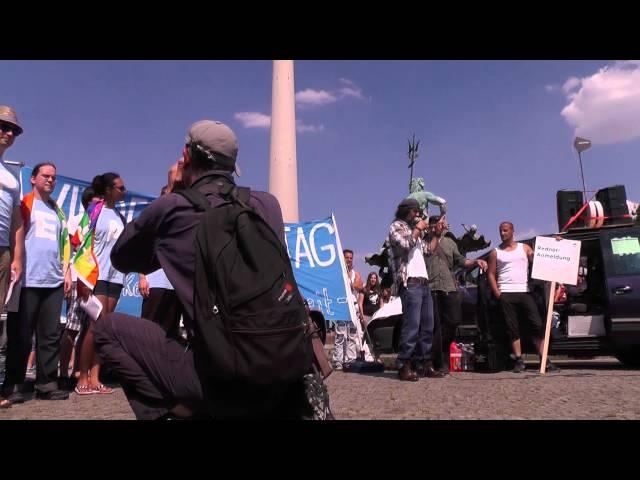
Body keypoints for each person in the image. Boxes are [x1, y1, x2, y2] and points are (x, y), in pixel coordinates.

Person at [93, 119, 313, 419]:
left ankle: (182, 414)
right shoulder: (267, 205)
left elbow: (122, 258)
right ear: (233, 164)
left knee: (108, 329)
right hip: (282, 368)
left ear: (185, 157)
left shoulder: (173, 208)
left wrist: (170, 193)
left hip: (219, 378)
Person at [1, 163, 72, 405]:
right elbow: (15, 236)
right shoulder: (24, 204)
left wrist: (67, 272)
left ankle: (47, 384)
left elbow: (63, 244)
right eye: (46, 176)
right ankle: (14, 384)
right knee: (20, 335)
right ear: (33, 179)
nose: (51, 180)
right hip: (27, 279)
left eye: (54, 177)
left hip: (53, 281)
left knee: (50, 335)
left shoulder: (57, 211)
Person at [73, 173, 127, 395]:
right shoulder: (94, 212)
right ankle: (82, 377)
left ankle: (96, 377)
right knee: (94, 327)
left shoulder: (120, 216)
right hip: (96, 275)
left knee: (105, 330)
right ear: (107, 190)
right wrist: (83, 278)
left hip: (116, 277)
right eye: (120, 188)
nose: (124, 191)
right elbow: (80, 244)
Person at [487, 221, 559, 373]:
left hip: (524, 291)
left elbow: (541, 260)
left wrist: (555, 245)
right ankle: (519, 360)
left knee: (537, 325)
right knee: (512, 328)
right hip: (506, 293)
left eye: (505, 230)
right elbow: (491, 274)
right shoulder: (495, 252)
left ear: (513, 231)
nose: (502, 233)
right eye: (500, 231)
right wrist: (497, 293)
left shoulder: (524, 248)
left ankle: (544, 359)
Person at [387, 198, 444, 381]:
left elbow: (428, 250)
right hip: (410, 282)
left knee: (428, 326)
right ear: (407, 211)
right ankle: (404, 364)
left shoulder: (415, 233)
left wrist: (437, 234)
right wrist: (418, 229)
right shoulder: (396, 226)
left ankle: (425, 363)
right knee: (412, 325)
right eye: (415, 212)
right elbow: (405, 245)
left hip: (424, 283)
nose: (418, 215)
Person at [424, 215, 487, 372]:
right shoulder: (423, 243)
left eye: (442, 223)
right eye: (439, 224)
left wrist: (475, 262)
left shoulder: (450, 242)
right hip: (431, 288)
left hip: (450, 287)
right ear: (431, 226)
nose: (443, 226)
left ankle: (442, 350)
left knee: (454, 320)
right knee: (435, 327)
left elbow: (461, 261)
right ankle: (439, 361)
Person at [59, 186, 101, 389]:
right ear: (87, 203)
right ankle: (62, 373)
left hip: (94, 282)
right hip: (78, 280)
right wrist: (68, 275)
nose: (98, 204)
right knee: (72, 328)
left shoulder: (101, 222)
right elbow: (69, 249)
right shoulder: (77, 220)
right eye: (94, 201)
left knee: (88, 330)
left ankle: (78, 370)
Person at [0, 106, 25, 408]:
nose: (8, 133)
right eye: (3, 126)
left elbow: (17, 221)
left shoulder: (11, 177)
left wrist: (17, 256)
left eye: (13, 130)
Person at [138, 186, 183, 338]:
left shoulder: (182, 222)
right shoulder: (153, 221)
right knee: (147, 326)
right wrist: (142, 277)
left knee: (169, 331)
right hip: (154, 282)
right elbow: (143, 251)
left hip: (174, 285)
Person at [332, 249, 364, 369]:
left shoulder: (356, 273)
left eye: (351, 258)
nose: (349, 260)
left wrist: (351, 284)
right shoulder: (339, 273)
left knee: (352, 335)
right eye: (347, 257)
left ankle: (351, 359)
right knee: (340, 335)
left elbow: (359, 286)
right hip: (342, 305)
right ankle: (338, 361)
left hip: (353, 306)